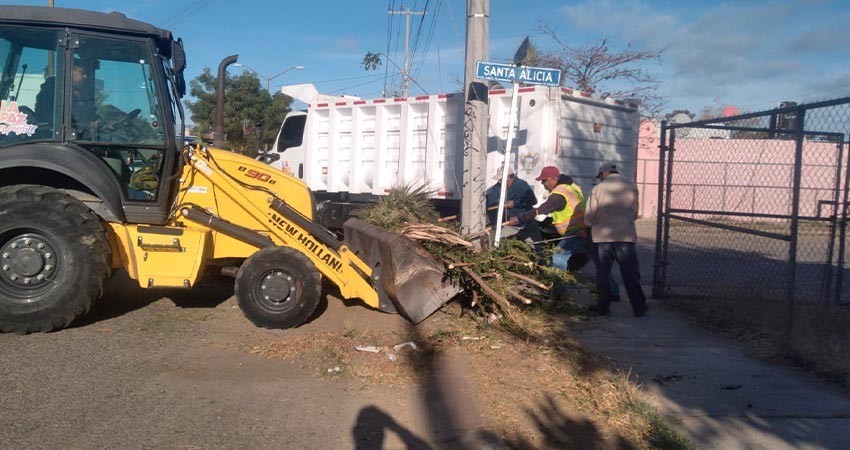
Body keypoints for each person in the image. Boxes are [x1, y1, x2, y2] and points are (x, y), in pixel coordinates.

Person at [585, 162, 648, 317]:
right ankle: (639, 308)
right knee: (630, 274)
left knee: (603, 273)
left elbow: (589, 216)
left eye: (600, 175)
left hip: (602, 238)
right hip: (625, 237)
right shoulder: (631, 185)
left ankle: (603, 308)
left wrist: (591, 225)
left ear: (604, 173)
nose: (600, 178)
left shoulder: (598, 189)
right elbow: (634, 213)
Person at [486, 168, 542, 244]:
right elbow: (490, 201)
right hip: (509, 224)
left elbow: (533, 201)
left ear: (509, 176)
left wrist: (515, 203)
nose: (499, 181)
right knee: (499, 242)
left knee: (536, 246)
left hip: (526, 223)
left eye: (501, 179)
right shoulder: (497, 187)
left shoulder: (522, 185)